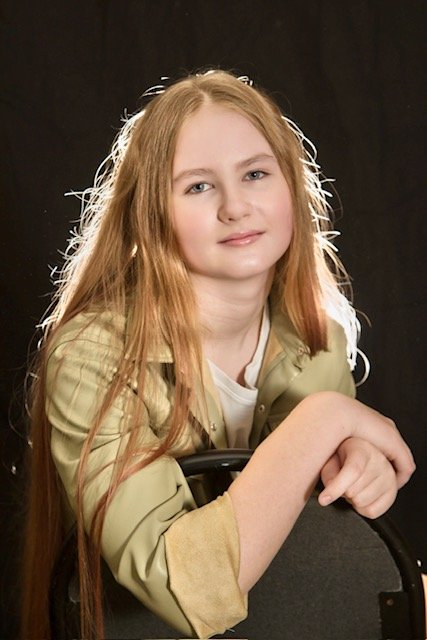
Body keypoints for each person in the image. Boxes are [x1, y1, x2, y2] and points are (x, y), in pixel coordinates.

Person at [21, 70, 415, 640]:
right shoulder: (90, 359)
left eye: (255, 173)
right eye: (198, 186)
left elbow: (313, 552)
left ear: (292, 188)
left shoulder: (316, 338)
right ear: (151, 214)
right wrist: (326, 419)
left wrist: (354, 469)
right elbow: (189, 594)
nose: (235, 207)